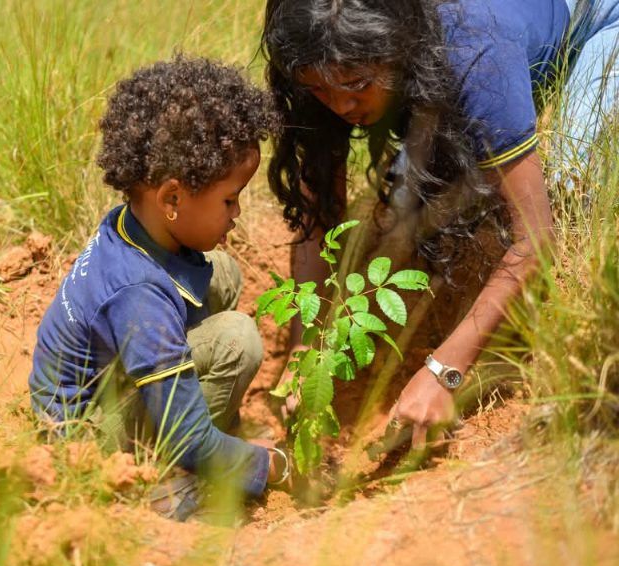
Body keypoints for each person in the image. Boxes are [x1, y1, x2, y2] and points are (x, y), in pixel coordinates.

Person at [260, 0, 618, 447]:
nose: (340, 106)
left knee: (567, 186)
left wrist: (444, 372)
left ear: (400, 47)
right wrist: (303, 348)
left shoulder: (475, 57)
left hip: (598, 14)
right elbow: (319, 217)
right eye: (319, 90)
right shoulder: (316, 55)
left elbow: (537, 239)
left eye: (357, 84)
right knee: (417, 191)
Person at [28, 57, 287, 519]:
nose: (237, 213)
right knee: (237, 340)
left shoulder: (133, 225)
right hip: (86, 438)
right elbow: (189, 439)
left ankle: (204, 421)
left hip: (109, 381)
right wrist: (269, 466)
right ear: (171, 199)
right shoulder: (139, 295)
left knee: (221, 272)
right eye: (230, 199)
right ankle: (171, 484)